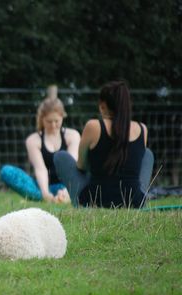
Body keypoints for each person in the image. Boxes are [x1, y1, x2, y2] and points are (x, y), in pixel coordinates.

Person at [54, 80, 154, 208]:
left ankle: (81, 205)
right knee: (148, 154)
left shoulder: (94, 126)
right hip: (133, 201)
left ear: (102, 105)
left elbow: (82, 166)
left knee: (60, 156)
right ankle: (140, 201)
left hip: (96, 201)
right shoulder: (142, 129)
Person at [0, 87, 81, 203]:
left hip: (69, 185)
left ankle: (68, 195)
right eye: (49, 121)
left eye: (57, 121)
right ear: (41, 119)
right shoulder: (33, 140)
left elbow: (72, 167)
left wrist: (67, 191)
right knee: (6, 171)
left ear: (62, 117)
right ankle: (42, 197)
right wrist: (45, 193)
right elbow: (40, 169)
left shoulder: (73, 136)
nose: (53, 125)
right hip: (43, 186)